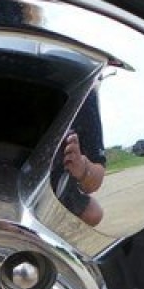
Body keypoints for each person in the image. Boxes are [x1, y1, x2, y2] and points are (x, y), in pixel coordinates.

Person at [55, 93, 106, 227]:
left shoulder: (84, 96)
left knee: (93, 212)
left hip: (49, 204)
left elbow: (96, 179)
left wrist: (83, 168)